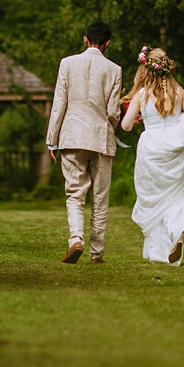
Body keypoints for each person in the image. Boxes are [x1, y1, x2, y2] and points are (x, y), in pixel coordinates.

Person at [45, 22, 123, 264]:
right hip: (101, 138)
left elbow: (59, 104)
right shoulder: (115, 69)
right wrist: (113, 127)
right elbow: (112, 112)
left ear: (85, 39)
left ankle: (75, 239)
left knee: (75, 195)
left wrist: (52, 140)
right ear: (108, 43)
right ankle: (96, 254)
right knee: (100, 198)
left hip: (72, 136)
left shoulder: (67, 64)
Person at [120, 46, 184, 265]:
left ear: (145, 69)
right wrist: (178, 127)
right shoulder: (179, 92)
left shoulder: (142, 94)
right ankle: (177, 234)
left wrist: (139, 118)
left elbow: (126, 126)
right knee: (177, 194)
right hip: (175, 150)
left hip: (152, 150)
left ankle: (160, 250)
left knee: (154, 196)